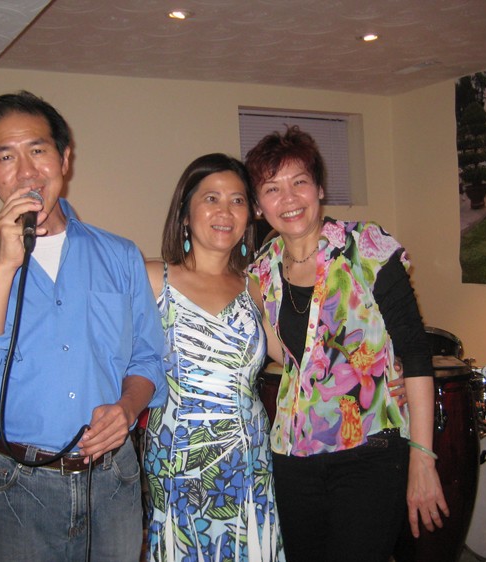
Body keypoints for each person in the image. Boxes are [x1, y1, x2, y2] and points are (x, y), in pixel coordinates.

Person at [0, 91, 167, 562]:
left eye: (38, 150)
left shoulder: (119, 255)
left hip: (113, 481)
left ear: (64, 159)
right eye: (6, 157)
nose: (26, 171)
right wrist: (4, 267)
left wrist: (126, 407)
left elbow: (148, 358)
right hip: (16, 486)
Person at [245, 126, 448, 562]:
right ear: (259, 206)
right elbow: (291, 356)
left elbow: (415, 351)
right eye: (272, 188)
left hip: (369, 450)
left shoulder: (366, 248)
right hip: (292, 453)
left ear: (319, 188)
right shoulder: (262, 270)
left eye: (299, 182)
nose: (289, 198)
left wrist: (422, 457)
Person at [142, 153, 285, 561]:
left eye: (237, 200)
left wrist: (380, 370)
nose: (226, 211)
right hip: (177, 456)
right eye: (211, 199)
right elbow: (96, 348)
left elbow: (300, 360)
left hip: (249, 454)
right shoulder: (152, 278)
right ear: (185, 214)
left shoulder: (255, 287)